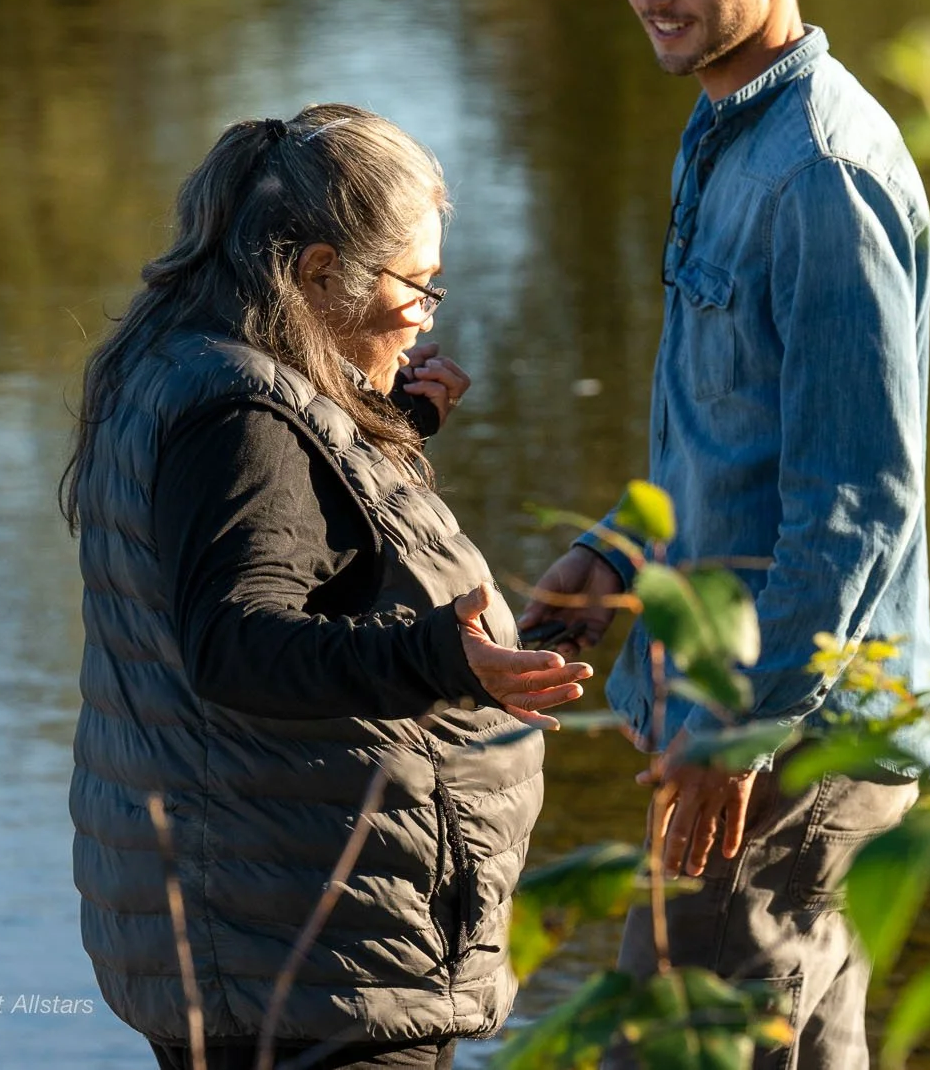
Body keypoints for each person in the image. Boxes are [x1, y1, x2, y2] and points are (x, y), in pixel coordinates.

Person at [517, 0, 930, 1069]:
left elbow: (857, 498)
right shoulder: (723, 131)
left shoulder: (819, 173)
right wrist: (615, 550)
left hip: (791, 738)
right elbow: (736, 432)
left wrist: (742, 730)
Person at [62, 104, 593, 1070]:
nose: (427, 316)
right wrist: (441, 657)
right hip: (306, 958)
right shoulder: (241, 417)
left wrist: (383, 430)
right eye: (417, 286)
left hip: (271, 931)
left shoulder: (190, 364)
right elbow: (236, 642)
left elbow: (296, 535)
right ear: (316, 273)